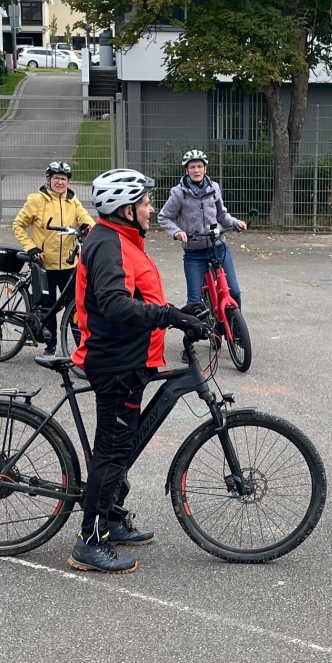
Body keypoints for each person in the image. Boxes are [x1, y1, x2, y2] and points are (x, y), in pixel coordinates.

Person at [69, 167, 209, 574]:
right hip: (115, 363)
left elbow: (138, 296)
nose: (151, 209)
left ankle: (111, 518)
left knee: (120, 448)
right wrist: (170, 316)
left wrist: (181, 311)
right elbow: (114, 304)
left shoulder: (122, 239)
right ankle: (89, 541)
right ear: (126, 210)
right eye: (145, 203)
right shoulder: (108, 244)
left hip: (130, 361)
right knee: (112, 453)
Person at [12, 160, 94, 344]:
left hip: (68, 264)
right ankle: (51, 345)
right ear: (48, 179)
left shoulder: (72, 200)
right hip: (44, 263)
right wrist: (31, 247)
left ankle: (81, 346)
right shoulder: (37, 200)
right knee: (48, 307)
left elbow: (85, 218)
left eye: (63, 179)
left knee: (74, 307)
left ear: (68, 182)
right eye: (56, 178)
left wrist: (90, 229)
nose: (60, 182)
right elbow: (18, 225)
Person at [158, 150, 247, 308]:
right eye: (192, 167)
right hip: (194, 252)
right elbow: (164, 217)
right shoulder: (178, 193)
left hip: (218, 247)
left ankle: (235, 322)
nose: (196, 170)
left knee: (234, 291)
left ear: (205, 168)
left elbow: (222, 215)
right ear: (187, 170)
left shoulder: (214, 188)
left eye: (199, 166)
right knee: (194, 301)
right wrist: (177, 232)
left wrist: (235, 222)